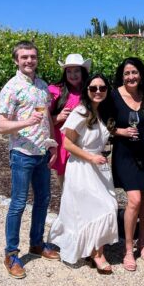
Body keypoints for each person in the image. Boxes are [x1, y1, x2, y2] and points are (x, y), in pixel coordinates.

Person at [0, 40, 60, 279]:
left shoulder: (42, 86)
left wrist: (52, 145)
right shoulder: (11, 88)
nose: (29, 61)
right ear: (16, 60)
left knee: (44, 200)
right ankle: (11, 254)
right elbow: (2, 126)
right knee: (18, 204)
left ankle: (37, 243)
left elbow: (46, 122)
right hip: (22, 154)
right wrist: (25, 122)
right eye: (24, 57)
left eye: (32, 57)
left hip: (42, 153)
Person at [48, 73, 118, 273]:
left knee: (105, 206)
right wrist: (91, 157)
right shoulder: (80, 112)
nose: (97, 91)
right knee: (103, 207)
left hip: (100, 168)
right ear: (87, 90)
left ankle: (93, 250)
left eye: (102, 88)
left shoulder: (104, 112)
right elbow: (68, 144)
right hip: (81, 167)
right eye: (93, 88)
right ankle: (98, 255)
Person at [109, 57, 144, 271]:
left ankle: (143, 242)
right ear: (122, 75)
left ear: (141, 74)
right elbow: (103, 123)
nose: (131, 77)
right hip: (125, 155)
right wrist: (120, 131)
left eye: (134, 72)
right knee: (134, 201)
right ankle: (128, 248)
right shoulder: (114, 95)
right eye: (127, 73)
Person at [49, 54, 90, 189]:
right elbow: (43, 118)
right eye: (69, 71)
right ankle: (68, 208)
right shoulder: (56, 90)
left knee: (85, 181)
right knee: (66, 184)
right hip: (63, 142)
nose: (73, 75)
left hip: (84, 141)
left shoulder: (91, 90)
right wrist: (57, 118)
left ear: (83, 72)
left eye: (76, 70)